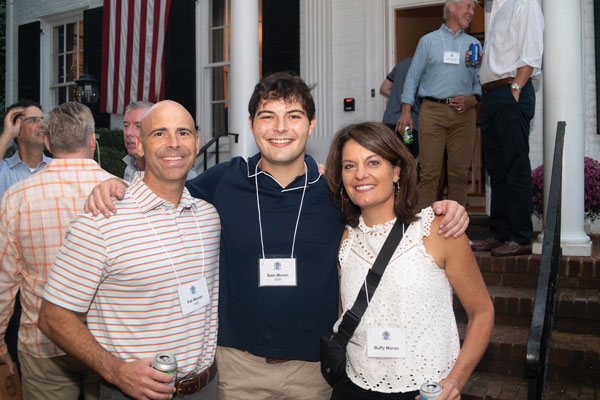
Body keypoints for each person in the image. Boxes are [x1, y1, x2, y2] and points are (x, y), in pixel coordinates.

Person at [84, 72, 470, 400]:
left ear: (312, 124)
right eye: (268, 116)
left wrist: (447, 208)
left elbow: (390, 216)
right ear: (251, 124)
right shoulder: (223, 181)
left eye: (294, 116)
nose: (281, 128)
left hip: (314, 371)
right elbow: (165, 191)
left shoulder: (338, 188)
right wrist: (118, 187)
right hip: (238, 369)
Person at [38, 100, 220, 400]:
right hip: (132, 392)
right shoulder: (100, 221)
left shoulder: (209, 217)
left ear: (197, 143)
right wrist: (114, 370)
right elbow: (52, 315)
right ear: (140, 146)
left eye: (183, 133)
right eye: (159, 134)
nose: (173, 144)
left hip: (206, 387)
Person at [324, 122, 494, 400]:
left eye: (373, 162)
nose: (360, 174)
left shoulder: (437, 230)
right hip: (352, 388)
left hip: (424, 391)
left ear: (397, 171)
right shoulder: (345, 239)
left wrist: (455, 382)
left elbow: (482, 312)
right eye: (349, 166)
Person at [0, 102, 115, 399]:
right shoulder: (121, 193)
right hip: (107, 343)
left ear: (48, 143)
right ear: (92, 140)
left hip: (42, 342)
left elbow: (3, 284)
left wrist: (0, 343)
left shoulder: (17, 197)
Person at [471, 0, 544, 257]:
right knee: (497, 171)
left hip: (510, 91)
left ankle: (521, 237)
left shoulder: (525, 3)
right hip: (492, 95)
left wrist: (515, 88)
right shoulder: (498, 9)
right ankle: (501, 234)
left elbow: (532, 53)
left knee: (515, 167)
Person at [399, 0, 481, 210]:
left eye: (473, 8)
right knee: (429, 173)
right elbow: (413, 77)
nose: (472, 12)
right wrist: (406, 111)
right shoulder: (428, 41)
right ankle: (423, 230)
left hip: (464, 115)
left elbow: (479, 82)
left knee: (459, 175)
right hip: (432, 112)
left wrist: (473, 99)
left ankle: (457, 231)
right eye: (468, 6)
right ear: (452, 6)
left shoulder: (475, 44)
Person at [122, 101, 198, 182]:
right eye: (126, 126)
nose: (128, 133)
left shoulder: (181, 175)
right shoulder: (130, 168)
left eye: (138, 126)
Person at [0, 100, 52, 200]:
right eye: (33, 120)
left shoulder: (55, 167)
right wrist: (8, 134)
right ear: (17, 131)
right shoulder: (4, 171)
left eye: (43, 119)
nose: (42, 125)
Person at [380, 57, 420, 159]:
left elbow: (384, 89)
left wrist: (397, 98)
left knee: (389, 159)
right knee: (407, 160)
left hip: (389, 123)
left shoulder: (402, 64)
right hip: (409, 126)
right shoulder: (426, 67)